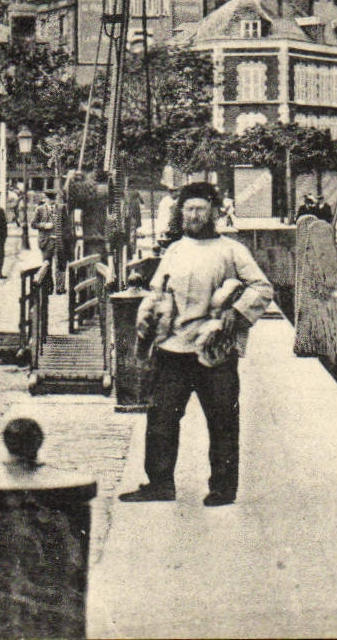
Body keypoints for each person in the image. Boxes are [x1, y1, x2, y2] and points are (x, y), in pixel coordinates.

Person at [120, 181, 273, 507]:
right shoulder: (174, 250)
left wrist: (237, 312)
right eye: (188, 209)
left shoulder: (232, 250)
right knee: (160, 418)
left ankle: (223, 488)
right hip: (172, 350)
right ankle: (159, 484)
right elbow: (158, 291)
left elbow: (261, 287)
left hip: (214, 353)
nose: (193, 215)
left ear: (214, 212)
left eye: (200, 208)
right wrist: (148, 320)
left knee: (222, 421)